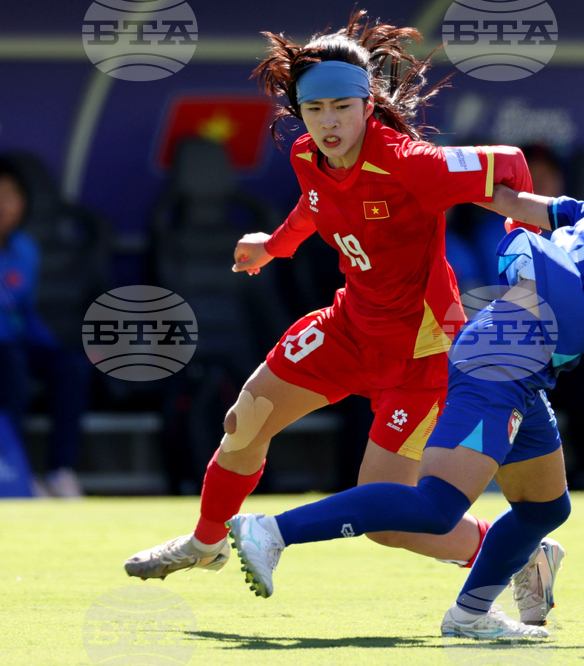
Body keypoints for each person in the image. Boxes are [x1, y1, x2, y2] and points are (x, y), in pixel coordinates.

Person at [224, 164, 584, 638]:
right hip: (508, 357)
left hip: (517, 354)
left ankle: (471, 615)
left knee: (544, 509)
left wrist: (458, 181)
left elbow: (523, 209)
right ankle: (272, 532)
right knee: (435, 507)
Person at [124, 11, 561, 621]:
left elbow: (510, 162)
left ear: (366, 102)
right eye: (313, 109)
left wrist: (522, 233)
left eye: (340, 107)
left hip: (422, 353)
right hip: (349, 326)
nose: (327, 123)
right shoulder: (309, 155)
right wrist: (274, 245)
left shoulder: (411, 162)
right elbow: (315, 206)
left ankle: (519, 552)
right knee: (244, 419)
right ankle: (205, 543)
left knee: (385, 517)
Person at [0, 158, 88, 498]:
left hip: (16, 342)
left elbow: (24, 310)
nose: (4, 205)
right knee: (13, 368)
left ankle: (59, 471)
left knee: (70, 368)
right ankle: (17, 470)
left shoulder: (25, 249)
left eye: (11, 195)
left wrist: (52, 348)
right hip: (5, 353)